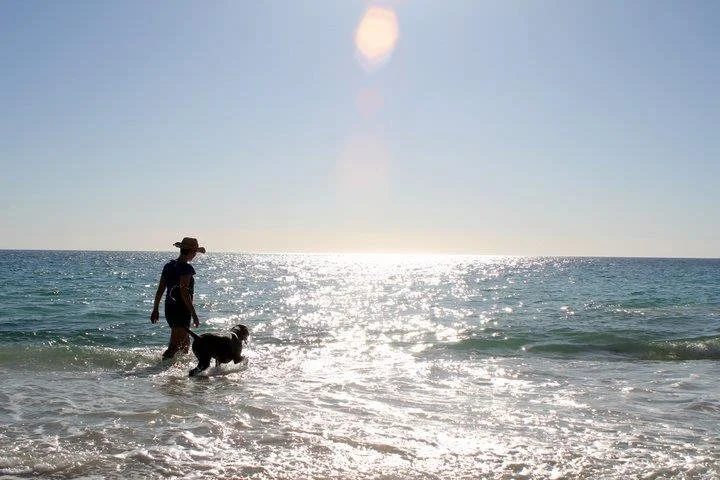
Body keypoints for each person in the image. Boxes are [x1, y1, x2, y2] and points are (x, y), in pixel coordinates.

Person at [150, 237, 206, 359]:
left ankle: (177, 374)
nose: (195, 255)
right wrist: (194, 313)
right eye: (195, 252)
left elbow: (160, 290)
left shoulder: (168, 266)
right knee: (175, 346)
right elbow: (184, 293)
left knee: (185, 344)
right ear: (191, 252)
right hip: (181, 310)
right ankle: (157, 370)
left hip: (169, 308)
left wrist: (155, 309)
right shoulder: (186, 268)